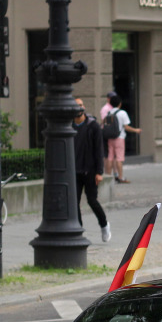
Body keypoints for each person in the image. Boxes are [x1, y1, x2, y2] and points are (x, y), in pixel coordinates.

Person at [72, 98, 110, 242]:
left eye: (81, 105)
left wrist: (99, 172)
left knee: (91, 200)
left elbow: (99, 150)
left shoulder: (92, 125)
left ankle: (104, 224)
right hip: (75, 171)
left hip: (90, 171)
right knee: (74, 203)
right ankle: (79, 231)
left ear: (84, 107)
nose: (79, 108)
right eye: (76, 106)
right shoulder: (69, 126)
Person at [101, 93, 140, 183]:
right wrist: (136, 130)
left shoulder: (109, 113)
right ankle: (121, 177)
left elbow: (106, 125)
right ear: (120, 103)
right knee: (119, 158)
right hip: (119, 138)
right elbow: (126, 127)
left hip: (110, 138)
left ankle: (108, 176)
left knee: (110, 157)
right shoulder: (122, 113)